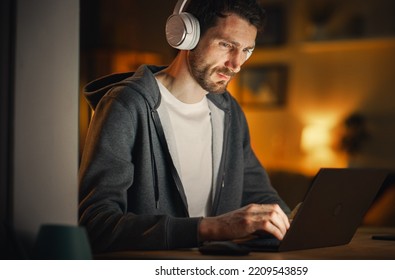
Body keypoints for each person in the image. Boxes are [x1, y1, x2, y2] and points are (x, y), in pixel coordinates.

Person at [79, 0, 290, 253]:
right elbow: (95, 224)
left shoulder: (230, 111)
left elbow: (261, 195)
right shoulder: (126, 106)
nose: (236, 64)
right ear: (186, 36)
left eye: (246, 50)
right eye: (226, 45)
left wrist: (290, 224)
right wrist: (210, 228)